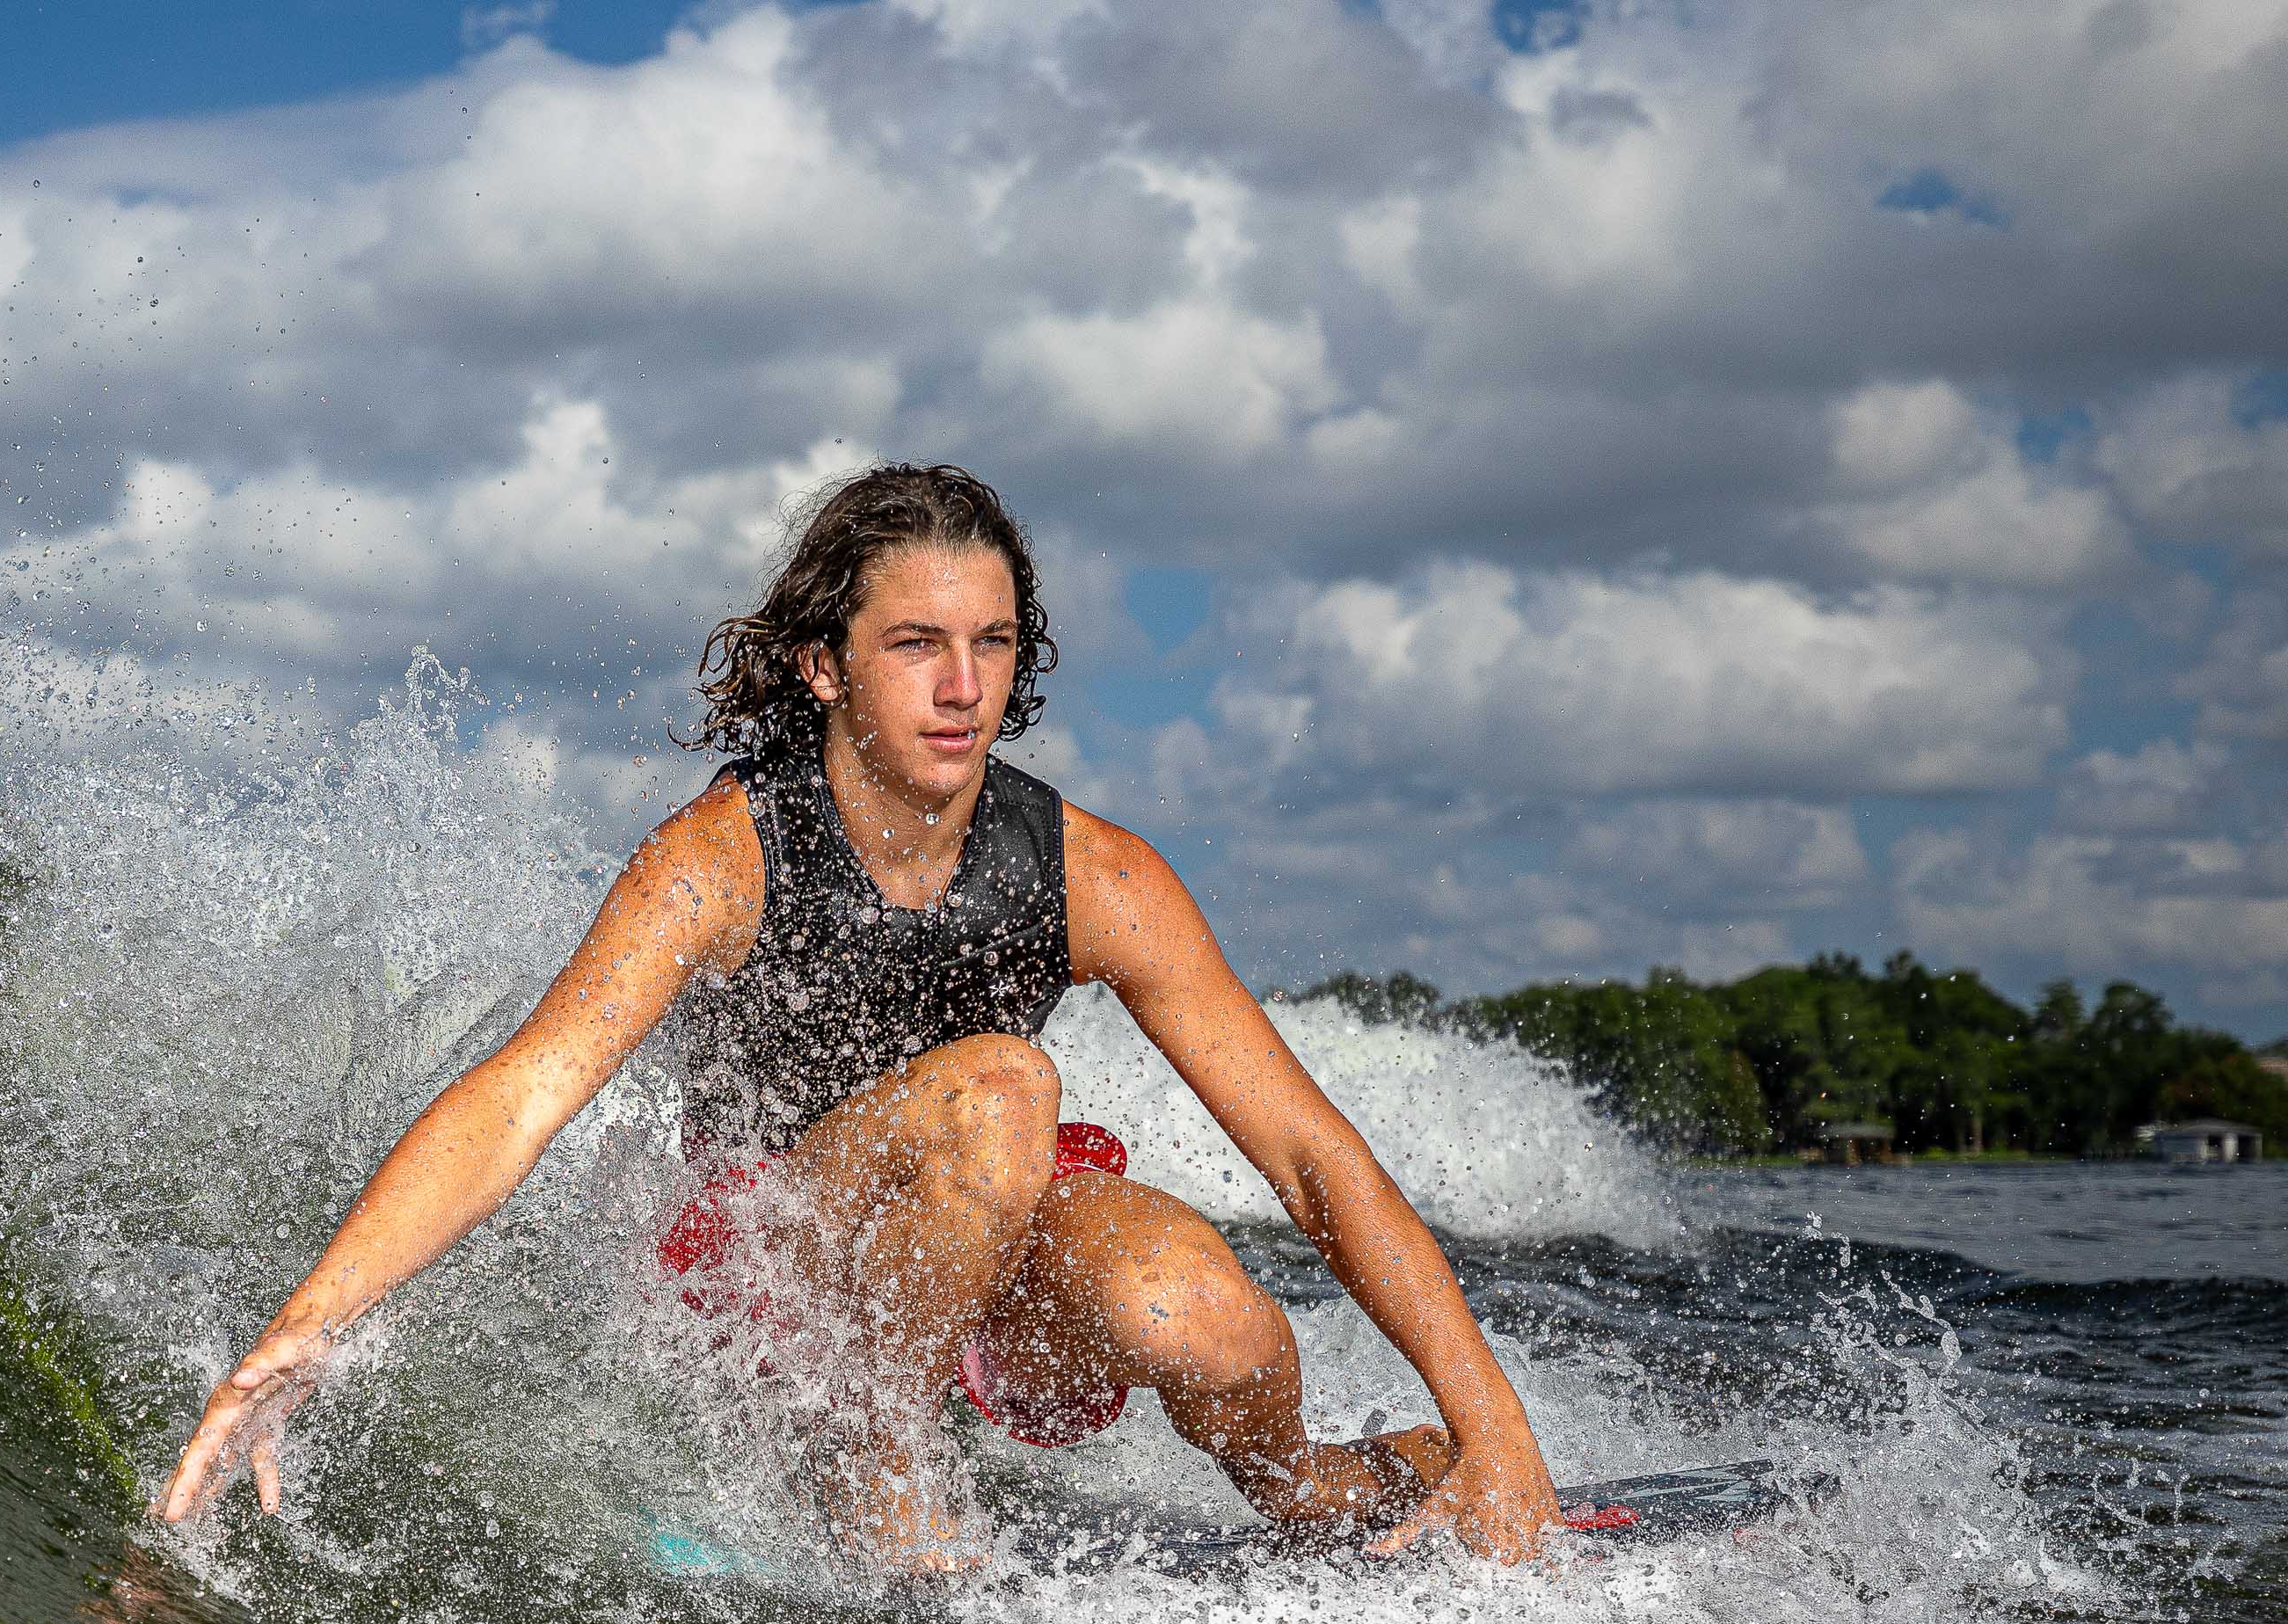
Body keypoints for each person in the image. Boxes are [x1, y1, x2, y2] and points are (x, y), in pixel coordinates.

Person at [156, 463, 1561, 1568]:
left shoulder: (1097, 876)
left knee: (1210, 1317)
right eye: (917, 645)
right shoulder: (719, 860)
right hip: (768, 1257)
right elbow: (521, 1095)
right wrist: (312, 1321)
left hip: (978, 1226)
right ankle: (876, 1467)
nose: (964, 688)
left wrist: (1498, 1423)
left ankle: (1337, 1483)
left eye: (994, 643)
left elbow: (1313, 1158)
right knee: (1006, 1089)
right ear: (826, 665)